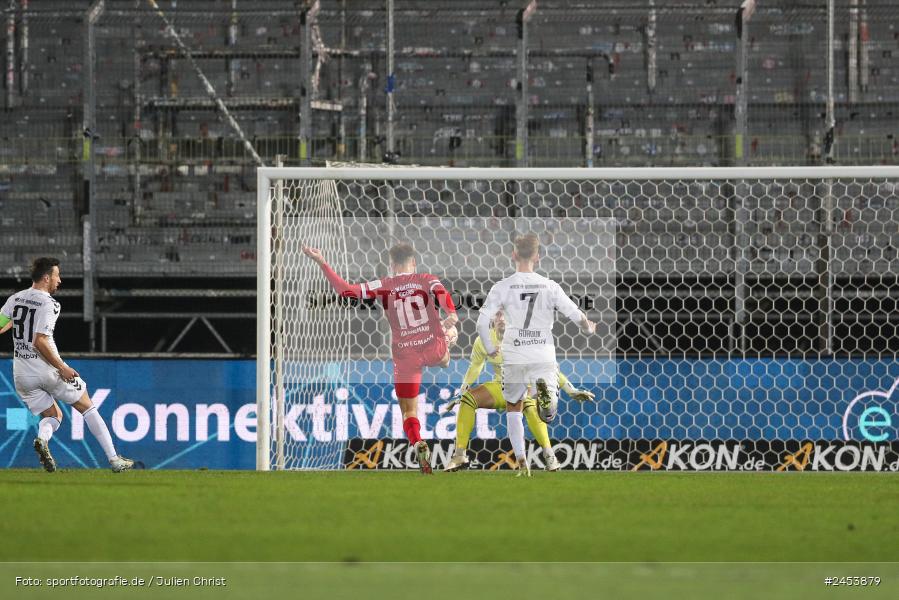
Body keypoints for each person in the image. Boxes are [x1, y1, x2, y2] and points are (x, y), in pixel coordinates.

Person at [303, 242, 458, 474]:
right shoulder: (426, 278)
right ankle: (447, 343)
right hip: (431, 346)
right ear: (413, 262)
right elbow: (441, 293)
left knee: (409, 412)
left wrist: (322, 262)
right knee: (445, 349)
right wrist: (452, 313)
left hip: (405, 355)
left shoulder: (384, 285)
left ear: (392, 265)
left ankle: (418, 443)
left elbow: (346, 291)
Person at [0, 257, 135, 472]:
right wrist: (61, 367)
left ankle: (42, 440)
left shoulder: (16, 299)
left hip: (22, 374)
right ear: (46, 278)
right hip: (47, 370)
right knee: (86, 405)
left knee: (54, 416)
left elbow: (1, 326)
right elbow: (40, 341)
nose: (59, 280)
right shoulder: (50, 303)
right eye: (56, 275)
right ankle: (114, 460)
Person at [477, 233, 596, 476]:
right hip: (542, 351)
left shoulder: (503, 286)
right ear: (537, 257)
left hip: (514, 352)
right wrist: (588, 327)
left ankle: (521, 461)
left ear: (513, 255)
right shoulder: (550, 286)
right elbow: (575, 315)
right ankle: (547, 398)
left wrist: (490, 348)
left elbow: (482, 323)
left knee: (514, 407)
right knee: (548, 414)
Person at [443, 309, 595, 472]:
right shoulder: (483, 340)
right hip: (500, 386)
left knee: (529, 404)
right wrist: (461, 391)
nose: (501, 318)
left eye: (505, 314)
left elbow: (546, 368)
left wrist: (570, 390)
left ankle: (549, 455)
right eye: (498, 314)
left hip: (524, 386)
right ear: (493, 318)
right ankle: (459, 455)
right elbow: (475, 366)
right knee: (468, 399)